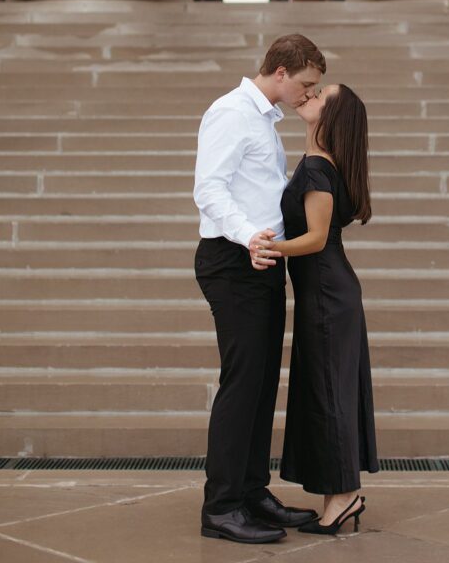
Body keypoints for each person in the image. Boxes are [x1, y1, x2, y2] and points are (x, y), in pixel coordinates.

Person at [193, 34, 326, 544]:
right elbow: (209, 189)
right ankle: (221, 507)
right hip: (233, 260)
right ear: (281, 72)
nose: (308, 95)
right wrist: (248, 235)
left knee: (263, 383)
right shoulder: (230, 112)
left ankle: (251, 493)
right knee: (243, 384)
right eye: (306, 85)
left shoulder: (264, 119)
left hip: (262, 260)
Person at [254, 83, 379, 535]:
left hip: (327, 295)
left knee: (329, 392)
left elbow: (317, 239)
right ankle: (338, 494)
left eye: (321, 94)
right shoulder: (320, 165)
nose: (310, 95)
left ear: (334, 115)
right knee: (326, 391)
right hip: (326, 294)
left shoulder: (318, 169)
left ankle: (344, 496)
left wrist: (269, 247)